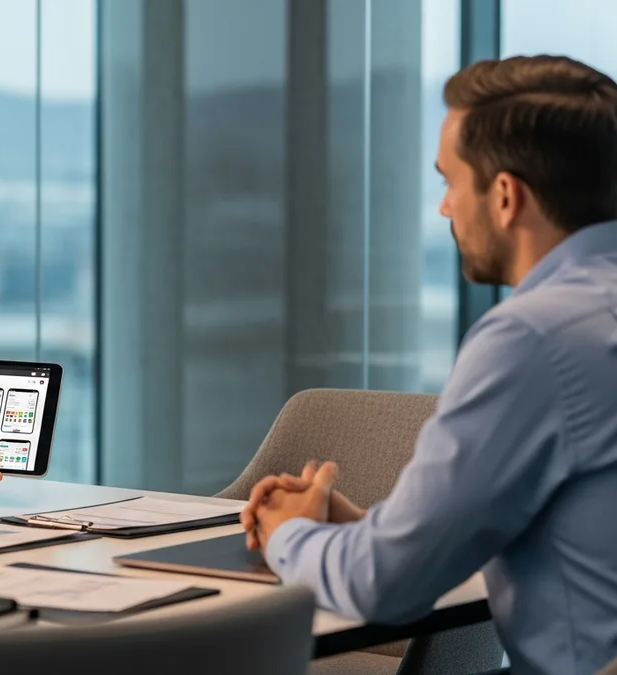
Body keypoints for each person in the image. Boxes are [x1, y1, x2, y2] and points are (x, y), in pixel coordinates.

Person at [241, 55, 617, 675]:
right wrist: (366, 531)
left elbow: (384, 588)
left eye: (449, 182)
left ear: (504, 196)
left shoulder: (533, 339)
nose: (444, 209)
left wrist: (289, 534)